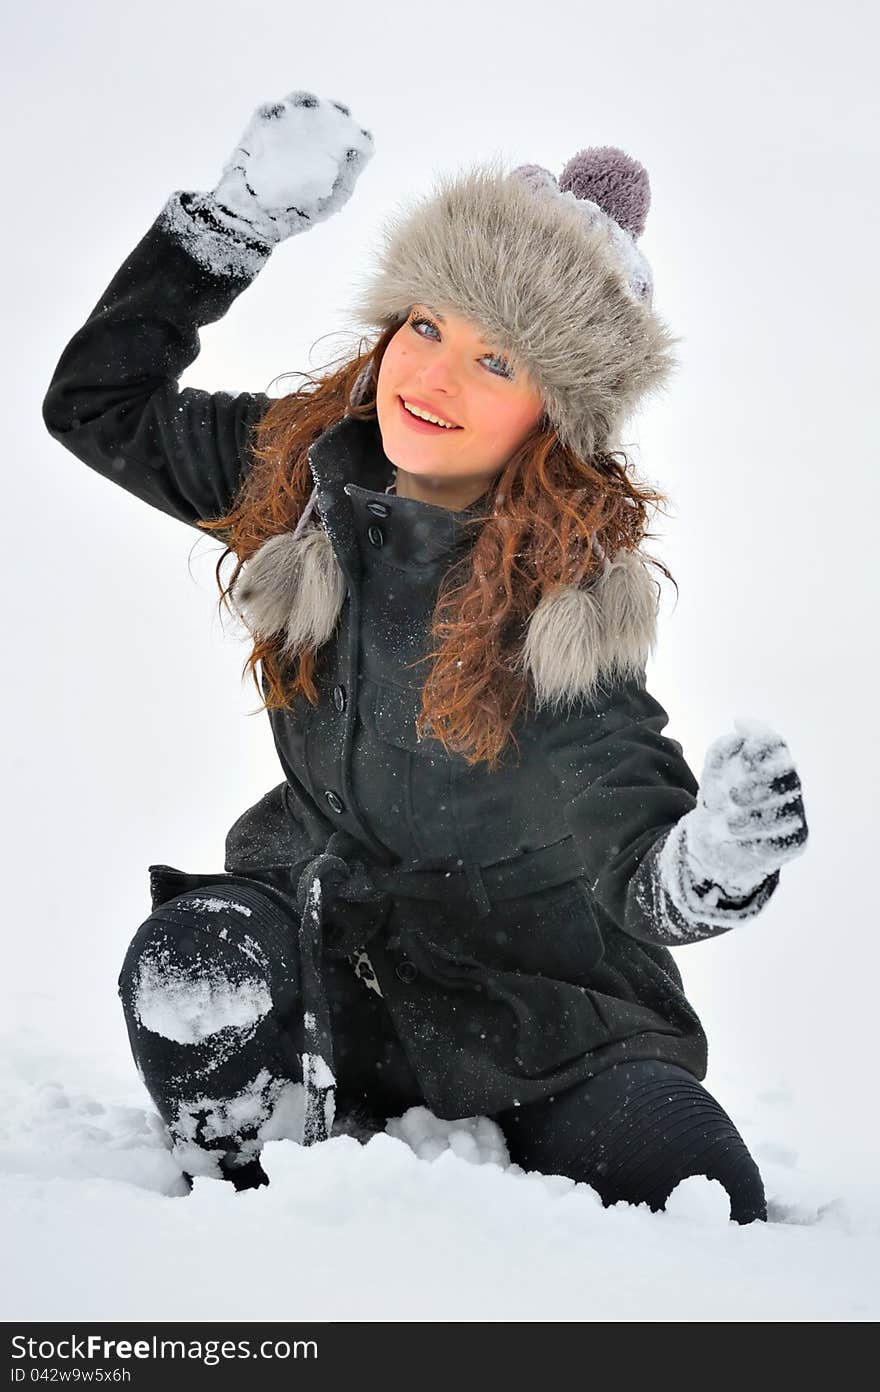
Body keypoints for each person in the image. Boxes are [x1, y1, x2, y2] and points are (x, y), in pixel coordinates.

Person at [42, 89, 808, 1221]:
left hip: (540, 1012)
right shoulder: (298, 474)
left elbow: (646, 872)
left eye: (498, 362)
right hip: (326, 960)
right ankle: (265, 1215)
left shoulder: (564, 614)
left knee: (699, 1187)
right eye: (427, 327)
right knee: (194, 963)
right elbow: (97, 405)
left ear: (555, 416)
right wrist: (229, 227)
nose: (434, 377)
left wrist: (719, 861)